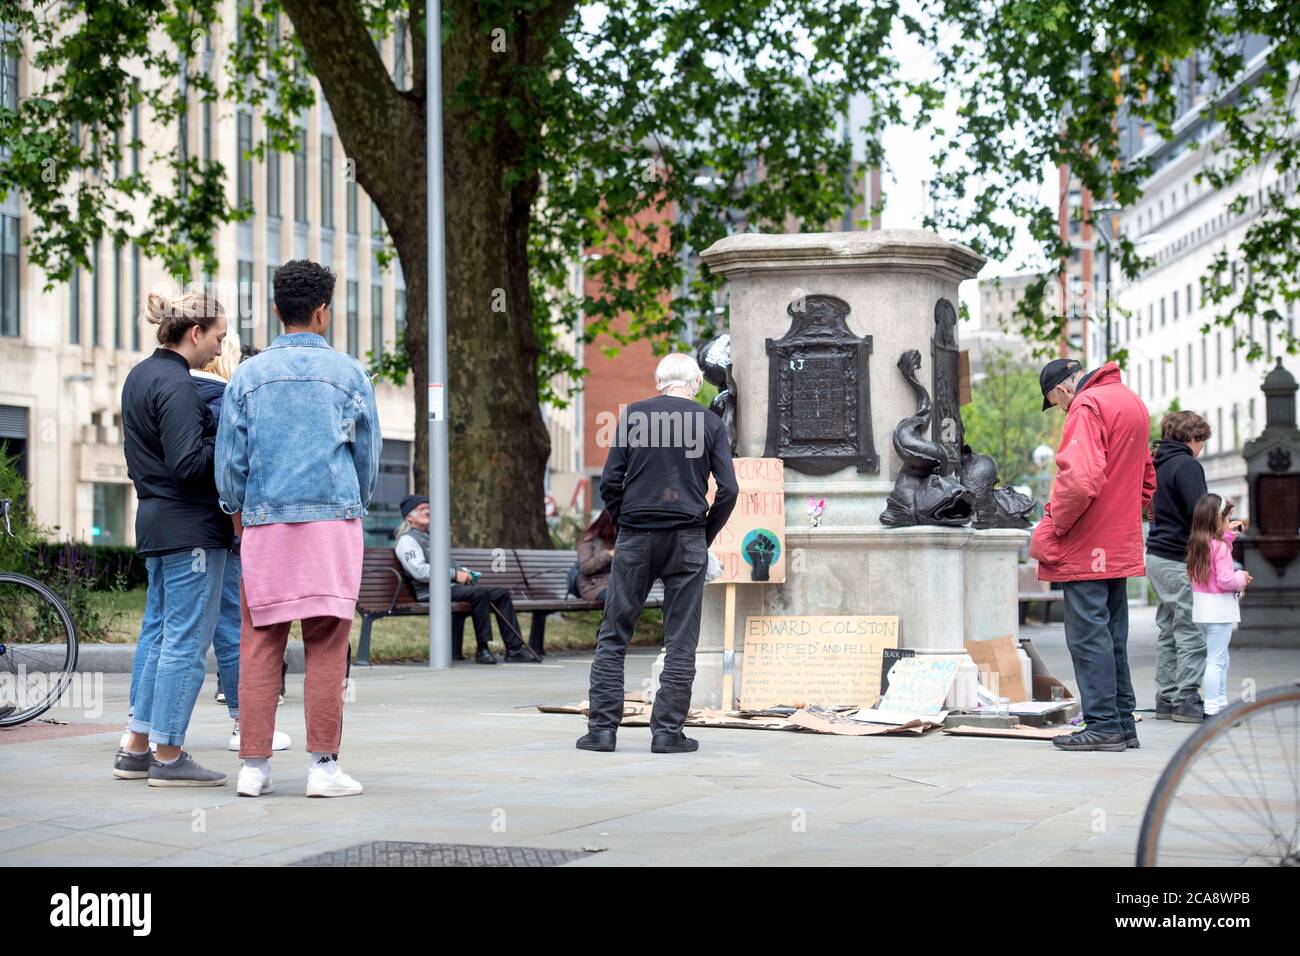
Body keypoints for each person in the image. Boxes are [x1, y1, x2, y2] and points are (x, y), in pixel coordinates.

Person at [216, 259, 380, 798]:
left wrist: (237, 511)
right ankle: (322, 767)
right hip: (332, 523)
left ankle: (254, 768)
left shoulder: (247, 375)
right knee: (328, 645)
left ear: (276, 310)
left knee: (259, 641)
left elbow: (230, 464)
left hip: (265, 524)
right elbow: (367, 459)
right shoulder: (350, 374)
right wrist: (352, 503)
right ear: (322, 311)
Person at [578, 352, 738, 755]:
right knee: (681, 639)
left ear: (658, 382)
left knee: (614, 633)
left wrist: (626, 520)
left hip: (636, 536)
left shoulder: (633, 416)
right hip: (686, 538)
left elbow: (610, 482)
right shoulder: (711, 422)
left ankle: (602, 730)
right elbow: (729, 489)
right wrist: (705, 533)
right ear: (697, 383)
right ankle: (667, 733)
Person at [113, 291, 233, 787]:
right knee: (185, 643)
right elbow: (189, 465)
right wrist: (223, 432)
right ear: (195, 333)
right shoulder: (181, 386)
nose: (220, 351)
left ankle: (137, 747)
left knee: (160, 635)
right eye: (219, 338)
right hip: (192, 531)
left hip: (157, 524)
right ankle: (168, 755)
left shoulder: (139, 375)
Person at [1030, 357, 1155, 752]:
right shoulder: (1130, 401)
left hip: (1087, 541)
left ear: (1064, 390)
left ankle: (1102, 724)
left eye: (1057, 402)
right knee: (1112, 634)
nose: (1063, 409)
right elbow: (1148, 481)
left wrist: (1058, 525)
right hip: (1118, 540)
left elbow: (1079, 480)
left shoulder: (1087, 405)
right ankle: (1121, 723)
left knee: (1088, 636)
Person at [191, 336, 291, 752]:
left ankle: (140, 729)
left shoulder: (167, 390)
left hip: (173, 529)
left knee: (165, 627)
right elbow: (234, 468)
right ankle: (243, 724)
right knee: (234, 627)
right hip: (221, 529)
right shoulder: (221, 401)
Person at [394, 495, 541, 664]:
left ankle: (515, 649)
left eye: (429, 507)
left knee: (500, 594)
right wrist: (455, 575)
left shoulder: (433, 538)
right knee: (478, 594)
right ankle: (483, 648)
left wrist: (463, 572)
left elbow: (445, 566)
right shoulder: (407, 540)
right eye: (421, 509)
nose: (428, 511)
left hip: (449, 588)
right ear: (409, 517)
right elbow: (419, 571)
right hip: (430, 592)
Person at [1145, 410, 1213, 723]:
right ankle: (1187, 699)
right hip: (1177, 557)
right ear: (1191, 438)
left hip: (1157, 556)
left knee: (1168, 630)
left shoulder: (1154, 463)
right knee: (1190, 630)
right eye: (1201, 441)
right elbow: (1202, 513)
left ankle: (1166, 697)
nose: (1201, 447)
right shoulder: (1186, 465)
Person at [1186, 494, 1252, 717]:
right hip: (1219, 612)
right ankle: (1214, 709)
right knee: (1216, 661)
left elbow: (1218, 558)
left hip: (1203, 612)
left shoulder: (1199, 544)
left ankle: (1220, 706)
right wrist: (1241, 577)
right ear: (1217, 519)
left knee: (1219, 658)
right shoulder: (1220, 548)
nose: (1229, 522)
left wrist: (1229, 534)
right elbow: (1225, 580)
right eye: (1227, 518)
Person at [576, 510, 617, 602]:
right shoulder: (588, 539)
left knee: (629, 597)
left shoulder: (618, 539)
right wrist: (609, 554)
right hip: (592, 585)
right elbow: (585, 567)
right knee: (617, 598)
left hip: (615, 584)